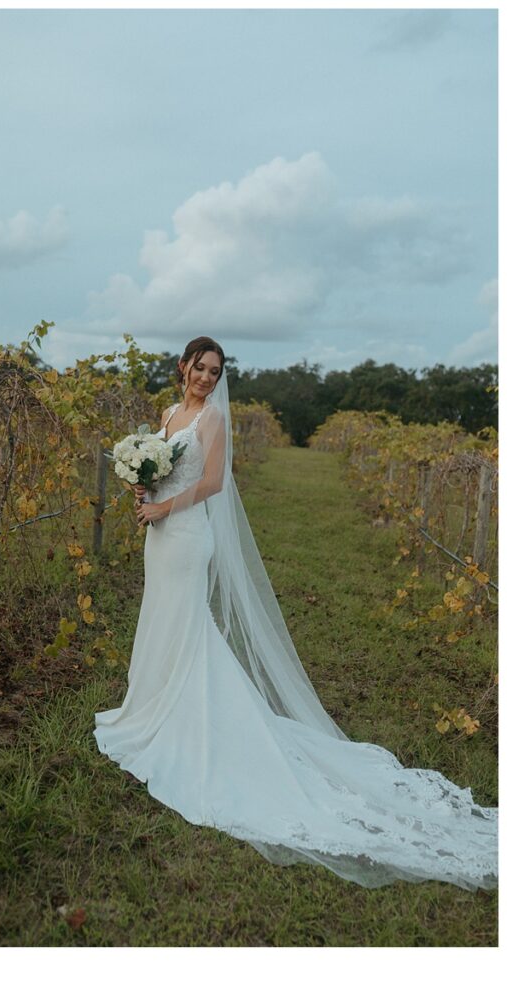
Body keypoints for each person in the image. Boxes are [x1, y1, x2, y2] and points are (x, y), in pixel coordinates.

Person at [93, 336, 497, 891]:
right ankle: (152, 706)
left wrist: (165, 504)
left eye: (215, 371)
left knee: (189, 630)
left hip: (187, 538)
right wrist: (145, 486)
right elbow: (165, 469)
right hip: (158, 538)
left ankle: (191, 725)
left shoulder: (211, 420)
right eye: (200, 368)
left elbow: (212, 482)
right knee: (163, 621)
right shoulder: (168, 413)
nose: (206, 378)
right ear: (182, 366)